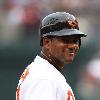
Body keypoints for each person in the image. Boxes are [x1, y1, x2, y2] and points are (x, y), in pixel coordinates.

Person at [16, 12, 87, 100]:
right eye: (65, 40)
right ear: (47, 43)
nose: (73, 46)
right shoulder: (43, 78)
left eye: (75, 41)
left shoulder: (46, 72)